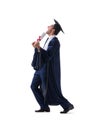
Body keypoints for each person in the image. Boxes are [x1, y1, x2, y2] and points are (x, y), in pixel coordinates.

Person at [31, 19, 74, 113]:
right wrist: (37, 48)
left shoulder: (55, 42)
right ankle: (44, 106)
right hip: (40, 67)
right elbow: (42, 53)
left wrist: (39, 47)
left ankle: (67, 105)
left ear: (53, 30)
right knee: (33, 86)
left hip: (47, 69)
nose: (47, 26)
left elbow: (48, 55)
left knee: (52, 89)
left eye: (50, 26)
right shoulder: (47, 39)